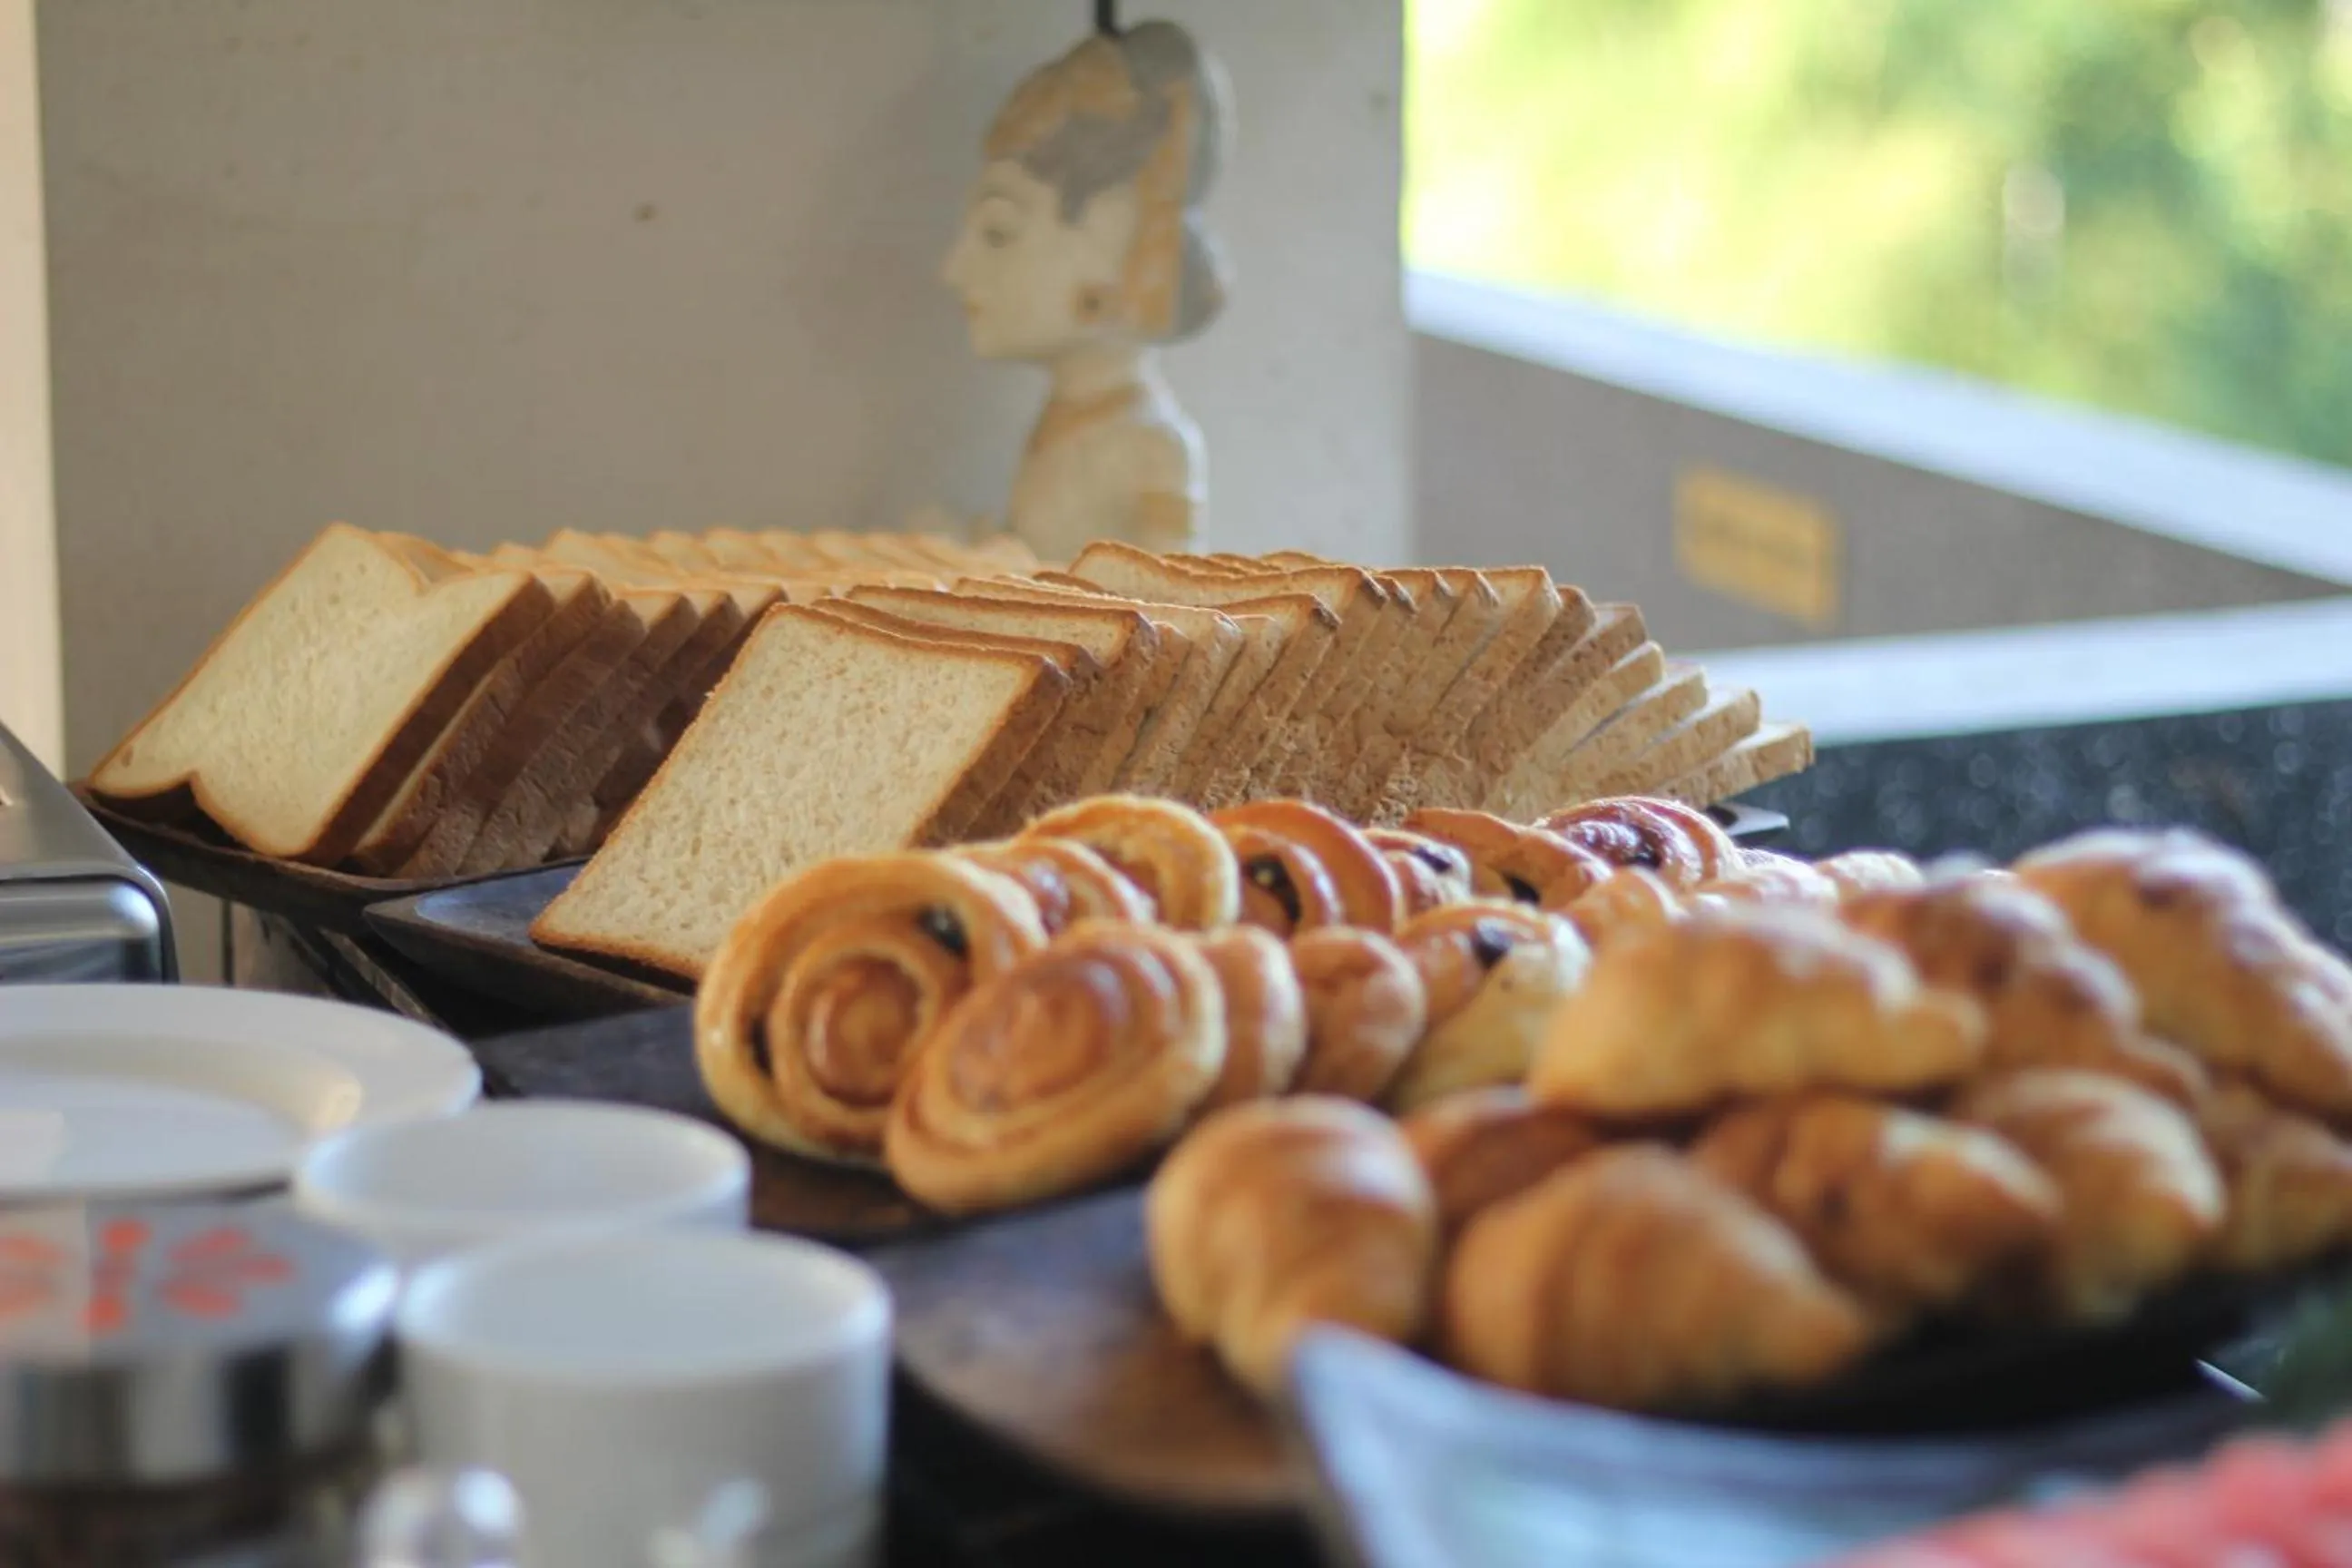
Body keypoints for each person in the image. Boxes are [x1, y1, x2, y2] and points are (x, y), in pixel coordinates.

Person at [940, 20, 1230, 564]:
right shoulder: (1065, 418)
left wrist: (1025, 573)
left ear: (1110, 240)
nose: (954, 270)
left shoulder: (1154, 448)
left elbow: (1172, 602)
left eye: (999, 232)